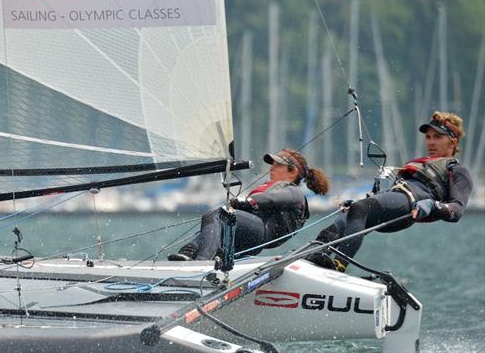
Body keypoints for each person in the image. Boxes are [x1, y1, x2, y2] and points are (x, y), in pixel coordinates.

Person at [307, 111, 473, 272]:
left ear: (453, 141)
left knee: (360, 209)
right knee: (349, 214)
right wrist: (366, 200)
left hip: (409, 207)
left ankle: (338, 266)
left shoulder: (458, 170)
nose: (430, 142)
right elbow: (393, 196)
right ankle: (310, 254)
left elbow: (457, 210)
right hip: (397, 200)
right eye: (428, 137)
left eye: (437, 137)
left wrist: (432, 205)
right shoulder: (420, 164)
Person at [168, 148, 330, 261]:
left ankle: (201, 261)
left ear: (292, 172)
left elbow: (272, 199)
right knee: (213, 226)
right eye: (272, 163)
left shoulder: (294, 192)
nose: (271, 168)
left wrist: (248, 201)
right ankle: (189, 255)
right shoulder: (280, 189)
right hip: (247, 238)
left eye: (277, 164)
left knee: (217, 215)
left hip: (259, 233)